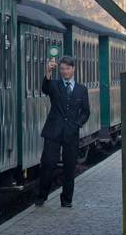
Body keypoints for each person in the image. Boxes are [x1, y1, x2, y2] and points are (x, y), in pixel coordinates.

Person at [37, 54, 89, 208]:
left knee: (69, 166)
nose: (65, 72)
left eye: (67, 69)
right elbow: (45, 89)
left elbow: (86, 112)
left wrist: (77, 124)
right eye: (62, 69)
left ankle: (66, 199)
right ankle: (42, 195)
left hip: (71, 132)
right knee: (48, 163)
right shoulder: (54, 84)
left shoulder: (81, 89)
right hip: (53, 131)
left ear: (73, 69)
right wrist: (48, 72)